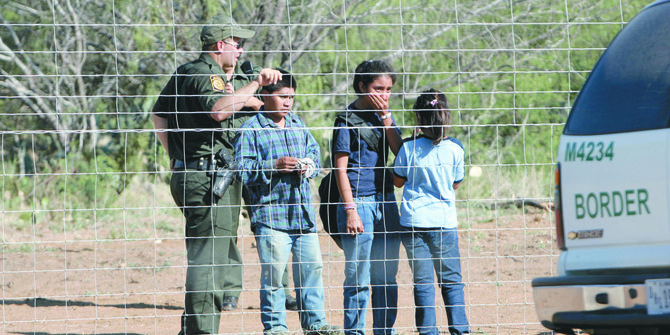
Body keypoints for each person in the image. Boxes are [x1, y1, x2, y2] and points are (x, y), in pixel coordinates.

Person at [151, 14, 283, 335]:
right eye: (237, 45)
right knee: (208, 259)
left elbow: (158, 115)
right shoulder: (203, 75)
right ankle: (202, 331)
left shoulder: (184, 73)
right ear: (220, 45)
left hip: (197, 173)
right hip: (208, 178)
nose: (240, 52)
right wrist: (257, 86)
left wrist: (176, 157)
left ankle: (193, 328)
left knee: (207, 252)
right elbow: (219, 110)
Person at [234, 69, 342, 335]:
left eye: (291, 97)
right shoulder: (251, 130)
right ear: (264, 96)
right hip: (271, 217)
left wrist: (308, 167)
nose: (288, 102)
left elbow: (315, 157)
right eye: (282, 97)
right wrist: (274, 166)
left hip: (303, 215)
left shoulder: (298, 124)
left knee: (311, 271)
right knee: (273, 277)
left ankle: (315, 324)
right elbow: (241, 170)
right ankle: (276, 328)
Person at [332, 60, 403, 335]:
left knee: (386, 275)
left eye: (388, 89)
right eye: (378, 88)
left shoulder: (384, 115)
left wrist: (386, 117)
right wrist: (350, 210)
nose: (384, 95)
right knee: (358, 277)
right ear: (362, 86)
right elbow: (340, 169)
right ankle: (355, 331)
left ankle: (385, 331)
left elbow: (401, 153)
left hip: (386, 201)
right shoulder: (345, 121)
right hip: (358, 202)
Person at [393, 89, 470, 335]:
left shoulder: (409, 148)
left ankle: (427, 331)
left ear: (418, 119)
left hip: (413, 223)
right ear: (446, 116)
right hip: (444, 224)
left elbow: (398, 181)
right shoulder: (456, 149)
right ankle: (460, 329)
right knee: (451, 281)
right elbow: (456, 183)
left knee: (423, 283)